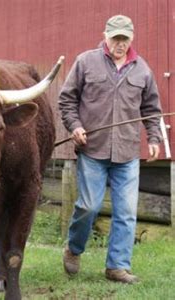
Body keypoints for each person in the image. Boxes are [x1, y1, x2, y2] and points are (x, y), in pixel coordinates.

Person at [58, 14, 162, 284]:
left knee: (126, 212)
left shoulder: (142, 69)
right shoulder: (85, 62)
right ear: (105, 35)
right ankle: (74, 248)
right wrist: (75, 126)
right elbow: (67, 99)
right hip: (92, 149)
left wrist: (153, 139)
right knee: (88, 206)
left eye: (124, 38)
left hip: (127, 153)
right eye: (115, 37)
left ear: (131, 38)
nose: (119, 43)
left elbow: (151, 109)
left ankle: (117, 266)